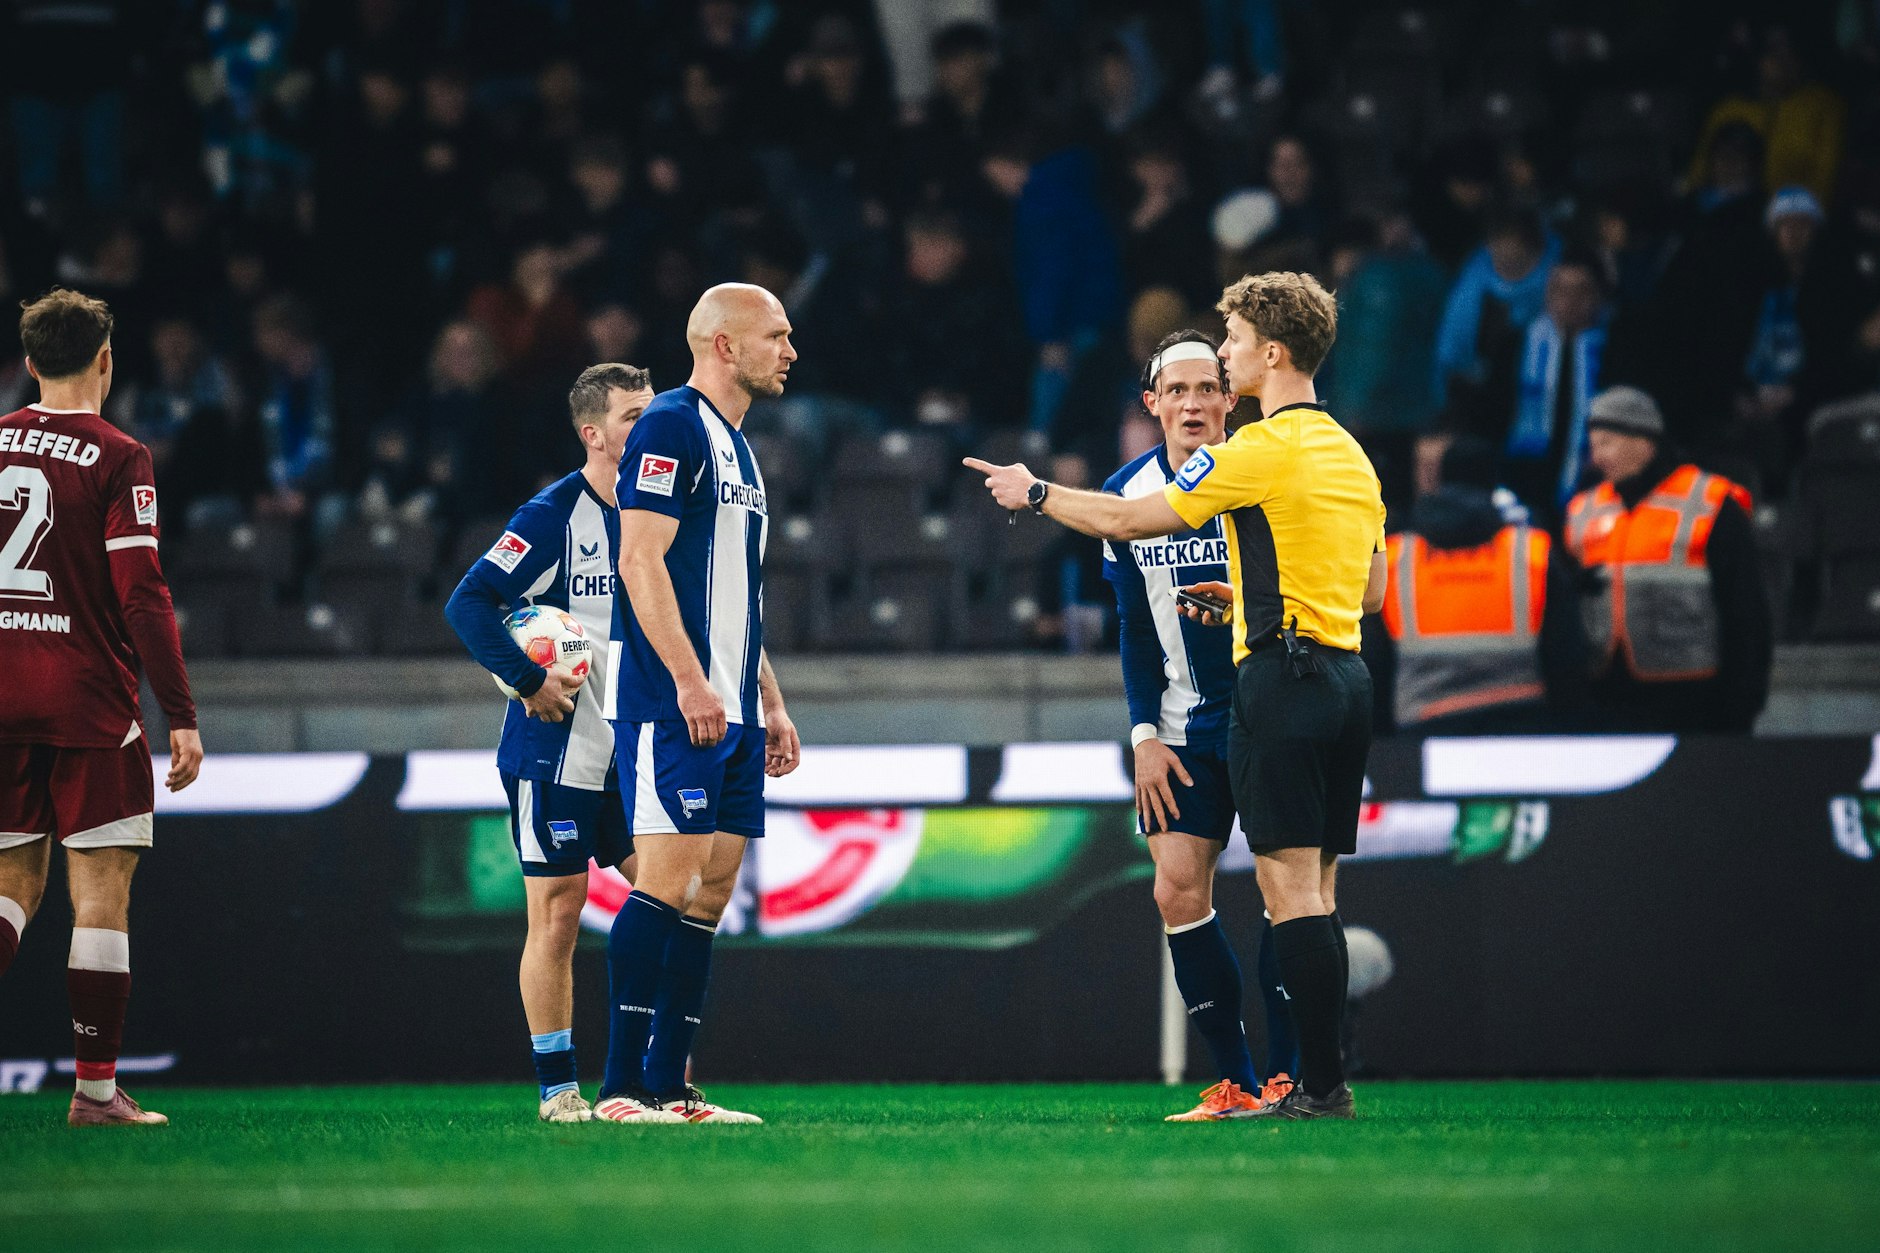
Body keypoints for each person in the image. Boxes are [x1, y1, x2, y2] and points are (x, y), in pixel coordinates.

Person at [968, 270, 1387, 1119]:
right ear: (1153, 400)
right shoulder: (1348, 449)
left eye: (1227, 352)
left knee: (1290, 895)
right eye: (1188, 381)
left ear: (1267, 356)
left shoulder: (1252, 454)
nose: (1218, 373)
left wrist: (1037, 491)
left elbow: (1124, 522)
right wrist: (1254, 603)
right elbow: (1373, 591)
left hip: (1278, 686)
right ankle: (1291, 1076)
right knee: (1300, 889)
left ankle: (1309, 1084)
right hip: (1336, 679)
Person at [599, 284, 803, 1125]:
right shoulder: (673, 425)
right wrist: (688, 680)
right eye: (777, 335)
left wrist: (773, 701)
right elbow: (639, 561)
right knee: (666, 884)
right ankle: (618, 1087)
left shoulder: (740, 449)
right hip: (672, 701)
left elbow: (737, 597)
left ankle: (669, 1087)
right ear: (723, 344)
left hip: (734, 711)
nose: (790, 350)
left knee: (710, 895)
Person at [0, 288, 204, 1127]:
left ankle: (94, 1090)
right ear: (107, 360)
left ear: (30, 361)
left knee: (10, 887)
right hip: (88, 701)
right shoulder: (121, 456)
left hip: (3, 695)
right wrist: (180, 713)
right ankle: (94, 1092)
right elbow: (144, 594)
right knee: (100, 894)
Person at [443, 362, 654, 1124]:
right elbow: (469, 601)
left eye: (651, 411)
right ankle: (559, 1089)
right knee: (559, 912)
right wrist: (526, 680)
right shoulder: (552, 515)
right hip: (557, 748)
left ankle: (646, 1078)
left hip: (635, 750)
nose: (648, 424)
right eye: (633, 415)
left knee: (676, 900)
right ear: (592, 434)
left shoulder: (661, 513)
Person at [1101, 329, 1299, 1122]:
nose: (1191, 402)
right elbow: (1134, 629)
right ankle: (1238, 1082)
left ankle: (1291, 1078)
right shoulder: (1126, 493)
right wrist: (1143, 734)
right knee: (1177, 890)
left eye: (1205, 387)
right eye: (1174, 390)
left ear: (1229, 399)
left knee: (1293, 895)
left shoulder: (1265, 476)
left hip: (1272, 717)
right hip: (1183, 731)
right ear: (1153, 405)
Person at [1563, 387, 1772, 734]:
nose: (1596, 458)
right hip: (1605, 700)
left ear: (1644, 442)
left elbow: (1746, 611)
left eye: (1606, 444)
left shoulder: (1709, 503)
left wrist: (1742, 702)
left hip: (1695, 702)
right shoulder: (1583, 509)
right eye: (1593, 446)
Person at [1373, 438, 1585, 736]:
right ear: (1493, 486)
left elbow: (1374, 662)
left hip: (1423, 729)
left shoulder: (1396, 558)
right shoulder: (1529, 552)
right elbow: (1566, 655)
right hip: (1522, 727)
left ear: (1438, 481)